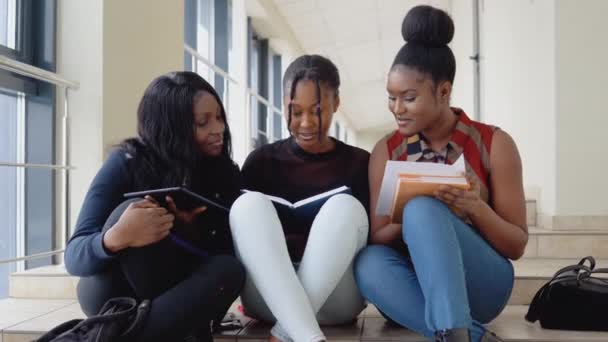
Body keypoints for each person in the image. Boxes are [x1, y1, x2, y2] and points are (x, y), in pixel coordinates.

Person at [354, 5, 528, 342]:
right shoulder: (385, 151)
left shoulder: (495, 143)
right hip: (414, 286)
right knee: (368, 262)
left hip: (482, 285)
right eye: (391, 98)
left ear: (444, 92)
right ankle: (465, 335)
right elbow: (378, 235)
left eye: (409, 98)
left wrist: (475, 207)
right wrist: (417, 208)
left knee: (424, 209)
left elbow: (517, 244)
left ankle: (457, 326)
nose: (397, 109)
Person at [64, 72, 246, 342]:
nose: (217, 129)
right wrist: (118, 237)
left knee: (229, 270)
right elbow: (74, 256)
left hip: (184, 295)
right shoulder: (127, 161)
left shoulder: (225, 173)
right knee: (128, 213)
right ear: (172, 128)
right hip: (117, 294)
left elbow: (235, 252)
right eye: (202, 122)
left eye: (219, 117)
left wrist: (189, 234)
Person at [229, 55, 370, 342]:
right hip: (268, 299)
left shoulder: (359, 163)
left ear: (336, 105)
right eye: (295, 111)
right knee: (246, 205)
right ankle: (305, 335)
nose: (305, 123)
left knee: (345, 208)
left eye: (317, 111)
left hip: (335, 298)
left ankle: (288, 332)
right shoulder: (260, 162)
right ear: (284, 104)